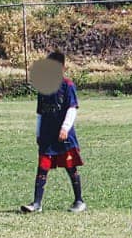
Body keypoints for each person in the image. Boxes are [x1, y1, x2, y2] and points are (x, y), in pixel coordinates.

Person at [20, 51, 85, 214]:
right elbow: (40, 113)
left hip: (64, 136)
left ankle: (79, 200)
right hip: (47, 136)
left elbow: (72, 108)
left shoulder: (67, 85)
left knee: (71, 167)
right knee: (42, 167)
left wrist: (65, 127)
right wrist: (38, 133)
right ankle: (36, 203)